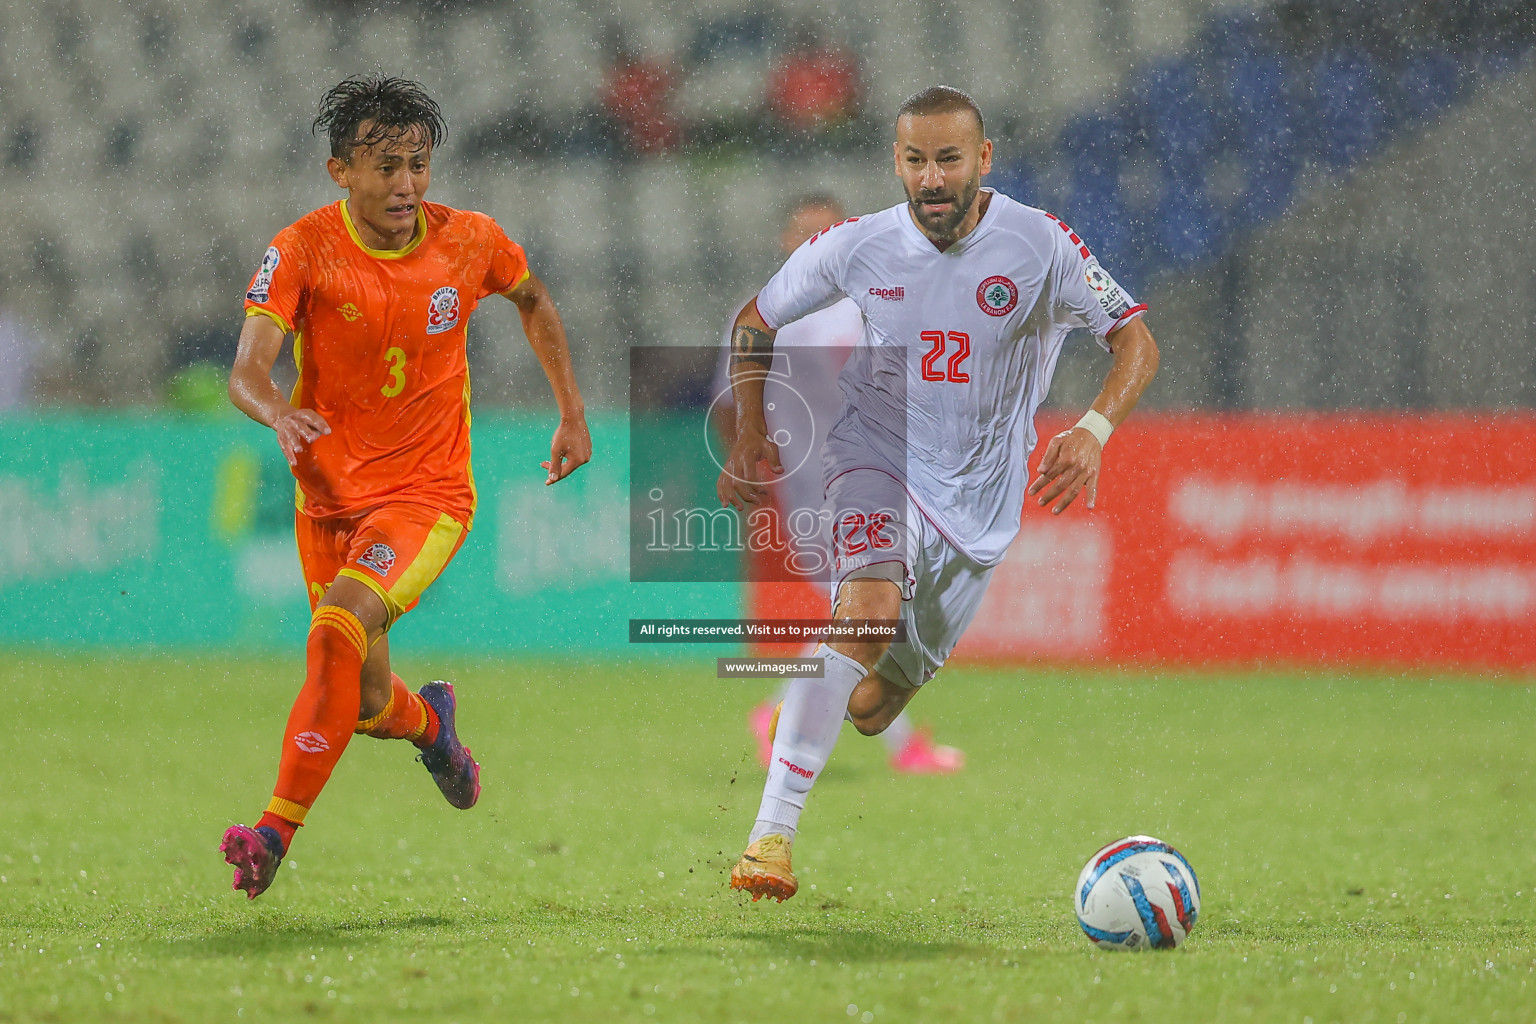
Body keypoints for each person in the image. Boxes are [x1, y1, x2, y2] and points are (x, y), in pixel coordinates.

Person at [718, 86, 1159, 902]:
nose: (931, 178)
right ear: (898, 162)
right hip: (878, 454)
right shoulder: (858, 246)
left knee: (876, 707)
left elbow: (1134, 338)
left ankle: (818, 716)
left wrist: (1093, 429)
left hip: (980, 512)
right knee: (866, 609)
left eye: (948, 159)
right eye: (915, 160)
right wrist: (749, 428)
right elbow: (756, 317)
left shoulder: (1040, 244)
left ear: (982, 160)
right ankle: (768, 840)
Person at [221, 76, 591, 900]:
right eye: (385, 166)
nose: (406, 185)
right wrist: (278, 413)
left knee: (336, 630)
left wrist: (571, 411)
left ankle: (272, 834)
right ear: (338, 171)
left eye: (418, 165)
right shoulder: (303, 249)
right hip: (327, 501)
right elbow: (245, 371)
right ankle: (433, 727)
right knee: (366, 699)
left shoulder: (470, 241)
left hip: (426, 497)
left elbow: (531, 297)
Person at [711, 192, 964, 775]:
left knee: (860, 618)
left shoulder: (860, 304)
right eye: (803, 233)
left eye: (824, 232)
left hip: (870, 479)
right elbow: (728, 406)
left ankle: (782, 711)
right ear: (786, 243)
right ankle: (880, 741)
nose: (814, 243)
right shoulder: (773, 313)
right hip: (815, 486)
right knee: (865, 617)